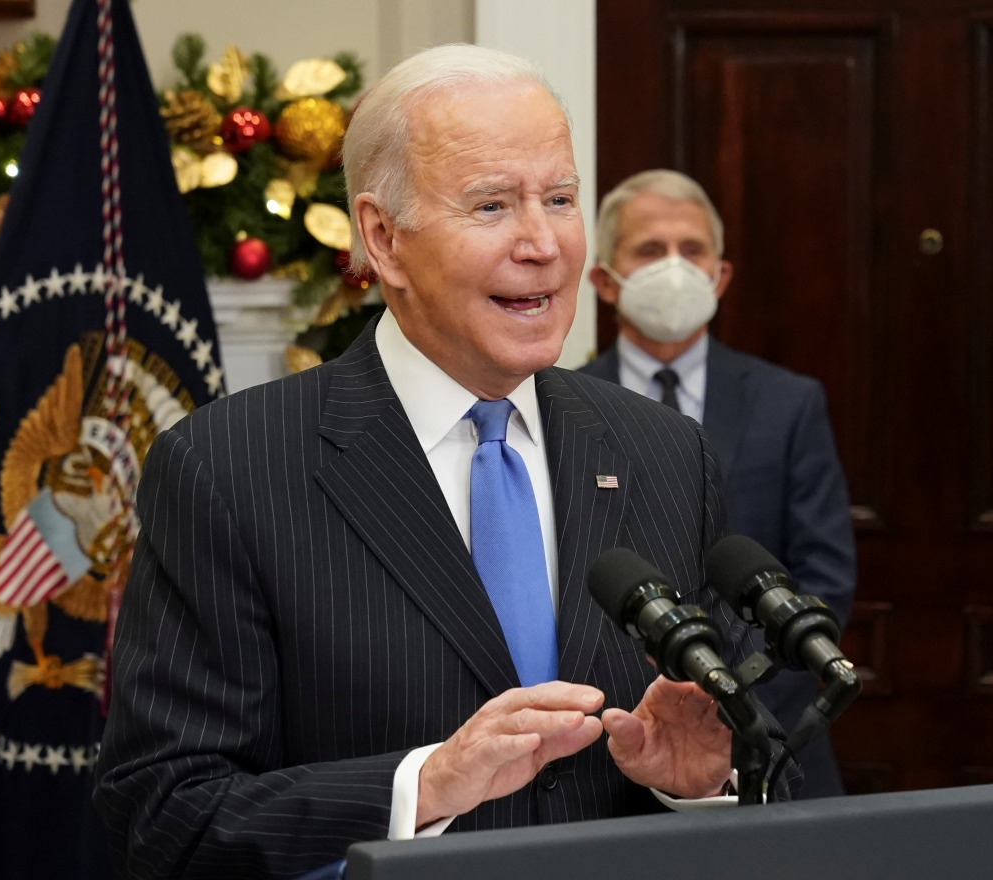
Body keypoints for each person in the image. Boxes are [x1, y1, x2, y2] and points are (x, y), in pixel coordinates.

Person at [94, 46, 800, 879]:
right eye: (493, 205)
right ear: (384, 239)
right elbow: (161, 816)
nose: (542, 243)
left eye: (561, 199)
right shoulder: (228, 469)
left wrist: (704, 786)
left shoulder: (665, 453)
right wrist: (422, 788)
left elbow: (757, 764)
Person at [580, 169, 857, 799]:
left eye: (692, 249)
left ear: (720, 275)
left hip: (779, 742)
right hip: (620, 745)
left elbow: (826, 573)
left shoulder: (789, 402)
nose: (673, 267)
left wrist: (731, 695)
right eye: (650, 251)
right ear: (603, 279)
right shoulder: (557, 405)